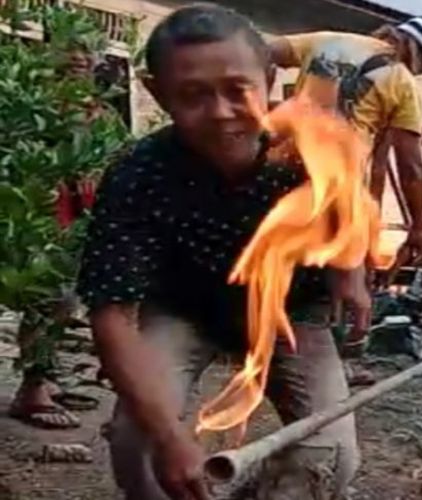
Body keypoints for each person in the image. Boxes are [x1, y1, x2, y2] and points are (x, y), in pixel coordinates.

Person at [76, 6, 362, 499]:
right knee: (136, 441)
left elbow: (351, 197)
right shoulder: (138, 176)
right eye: (192, 95)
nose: (222, 111)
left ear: (270, 80)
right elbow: (113, 316)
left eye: (239, 89)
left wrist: (349, 271)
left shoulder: (310, 149)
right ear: (156, 93)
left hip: (292, 313)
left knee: (330, 458)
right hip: (184, 308)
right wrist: (169, 439)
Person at [268, 15, 422, 361]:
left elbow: (260, 52)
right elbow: (410, 166)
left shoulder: (330, 38)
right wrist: (417, 226)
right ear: (421, 57)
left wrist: (261, 116)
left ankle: (254, 337)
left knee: (272, 256)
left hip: (278, 168)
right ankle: (329, 357)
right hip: (335, 189)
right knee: (337, 280)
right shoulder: (401, 81)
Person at [9, 44, 103, 430]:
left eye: (84, 59)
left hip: (81, 220)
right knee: (47, 302)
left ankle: (48, 378)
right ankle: (32, 389)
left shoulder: (96, 110)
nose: (77, 65)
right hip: (42, 220)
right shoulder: (33, 109)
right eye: (68, 60)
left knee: (66, 304)